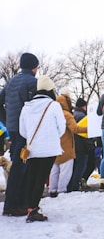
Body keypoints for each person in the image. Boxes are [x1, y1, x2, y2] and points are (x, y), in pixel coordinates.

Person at [19, 76, 65, 222]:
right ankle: (33, 210)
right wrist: (51, 137)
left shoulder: (26, 107)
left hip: (33, 149)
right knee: (40, 179)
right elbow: (61, 128)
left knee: (33, 178)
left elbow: (22, 131)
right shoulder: (54, 105)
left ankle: (31, 208)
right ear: (50, 90)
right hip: (49, 149)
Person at [1, 52, 39, 217]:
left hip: (13, 128)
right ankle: (15, 204)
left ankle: (16, 203)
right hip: (26, 128)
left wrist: (7, 119)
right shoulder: (33, 82)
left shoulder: (11, 81)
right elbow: (36, 106)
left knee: (19, 162)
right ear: (34, 67)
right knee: (21, 165)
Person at [49, 93, 87, 197]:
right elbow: (75, 129)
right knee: (65, 171)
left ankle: (52, 190)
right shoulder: (67, 115)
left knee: (54, 170)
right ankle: (62, 191)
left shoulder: (52, 114)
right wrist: (89, 129)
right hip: (66, 147)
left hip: (55, 146)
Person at [68, 97, 94, 192]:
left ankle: (71, 185)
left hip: (72, 145)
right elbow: (84, 134)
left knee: (74, 167)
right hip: (82, 147)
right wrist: (90, 146)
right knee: (81, 167)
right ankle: (74, 187)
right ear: (84, 107)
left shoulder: (72, 115)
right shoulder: (83, 117)